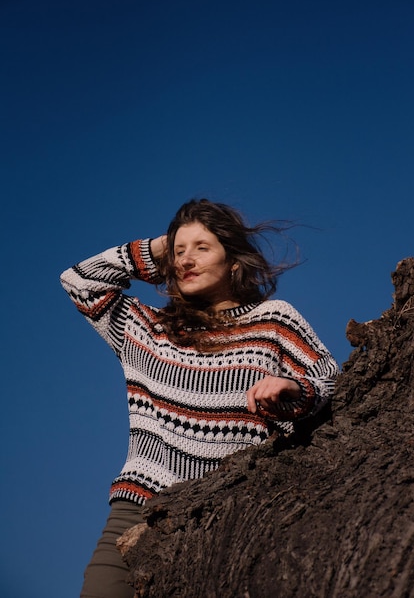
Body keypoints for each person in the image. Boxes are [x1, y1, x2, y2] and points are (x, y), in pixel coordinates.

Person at [60, 198, 339, 598]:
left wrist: (294, 389)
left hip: (234, 513)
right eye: (178, 252)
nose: (186, 260)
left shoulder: (274, 319)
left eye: (202, 248)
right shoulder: (144, 327)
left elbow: (328, 377)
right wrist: (159, 246)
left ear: (234, 262)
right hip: (139, 508)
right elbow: (79, 281)